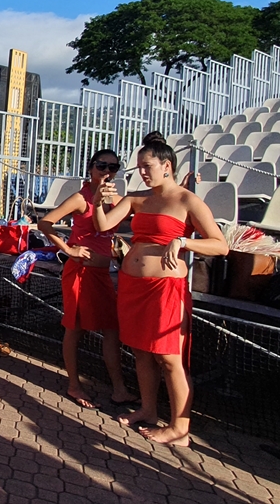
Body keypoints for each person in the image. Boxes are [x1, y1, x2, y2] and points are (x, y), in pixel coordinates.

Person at [92, 131, 228, 447]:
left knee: (170, 359)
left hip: (165, 289)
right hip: (132, 286)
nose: (141, 171)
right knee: (142, 353)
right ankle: (149, 410)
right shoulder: (137, 198)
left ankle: (180, 428)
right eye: (139, 166)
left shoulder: (187, 200)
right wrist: (99, 202)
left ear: (166, 165)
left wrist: (183, 241)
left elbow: (220, 246)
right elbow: (103, 225)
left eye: (147, 165)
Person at [36, 149, 138, 409]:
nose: (107, 172)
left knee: (112, 330)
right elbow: (45, 223)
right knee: (75, 328)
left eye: (113, 168)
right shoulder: (81, 198)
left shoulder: (116, 199)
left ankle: (119, 389)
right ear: (91, 168)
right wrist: (68, 249)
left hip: (102, 274)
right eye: (102, 166)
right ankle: (74, 385)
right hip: (80, 272)